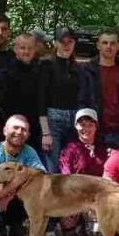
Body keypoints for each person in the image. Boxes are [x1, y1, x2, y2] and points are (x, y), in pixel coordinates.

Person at [57, 108, 108, 236]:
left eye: (90, 124)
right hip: (75, 195)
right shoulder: (69, 150)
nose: (86, 128)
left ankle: (91, 235)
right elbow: (66, 176)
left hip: (98, 196)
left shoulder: (104, 150)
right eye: (82, 124)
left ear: (96, 126)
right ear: (76, 126)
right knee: (67, 207)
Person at [83, 30, 119, 151]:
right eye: (105, 43)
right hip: (94, 130)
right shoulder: (87, 71)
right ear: (98, 45)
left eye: (112, 43)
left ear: (117, 46)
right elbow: (82, 100)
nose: (108, 46)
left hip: (118, 131)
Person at [38, 26, 83, 164]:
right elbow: (41, 99)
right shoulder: (47, 65)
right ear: (56, 43)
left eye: (70, 42)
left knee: (71, 167)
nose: (66, 45)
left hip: (74, 122)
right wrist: (45, 133)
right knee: (53, 169)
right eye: (63, 42)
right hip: (53, 122)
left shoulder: (78, 68)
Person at [0, 31, 44, 145]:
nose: (26, 51)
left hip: (33, 131)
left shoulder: (40, 72)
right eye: (22, 48)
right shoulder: (4, 74)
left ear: (35, 50)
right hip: (11, 130)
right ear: (15, 49)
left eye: (30, 48)